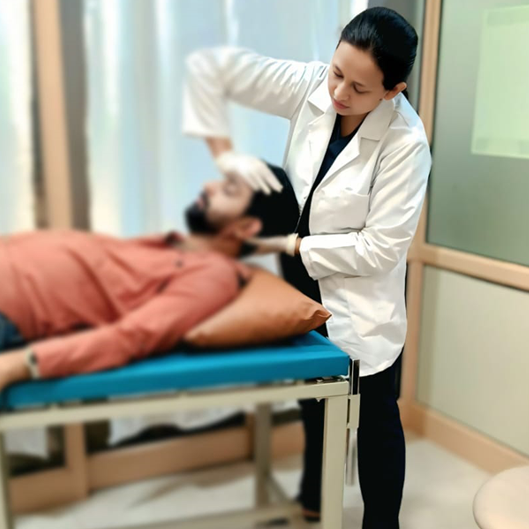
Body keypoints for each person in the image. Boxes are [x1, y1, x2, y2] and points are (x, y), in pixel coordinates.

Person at [183, 7, 432, 528]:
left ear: (393, 90)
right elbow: (215, 69)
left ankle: (382, 522)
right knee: (315, 399)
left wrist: (297, 245)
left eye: (359, 88)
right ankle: (315, 496)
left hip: (358, 294)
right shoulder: (311, 84)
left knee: (375, 415)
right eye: (337, 72)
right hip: (299, 275)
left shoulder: (406, 144)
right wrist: (225, 156)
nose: (338, 92)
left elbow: (379, 250)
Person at [0, 165, 298, 391]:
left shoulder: (214, 275)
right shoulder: (171, 246)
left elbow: (131, 337)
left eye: (229, 190)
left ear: (246, 228)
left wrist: (20, 363)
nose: (208, 186)